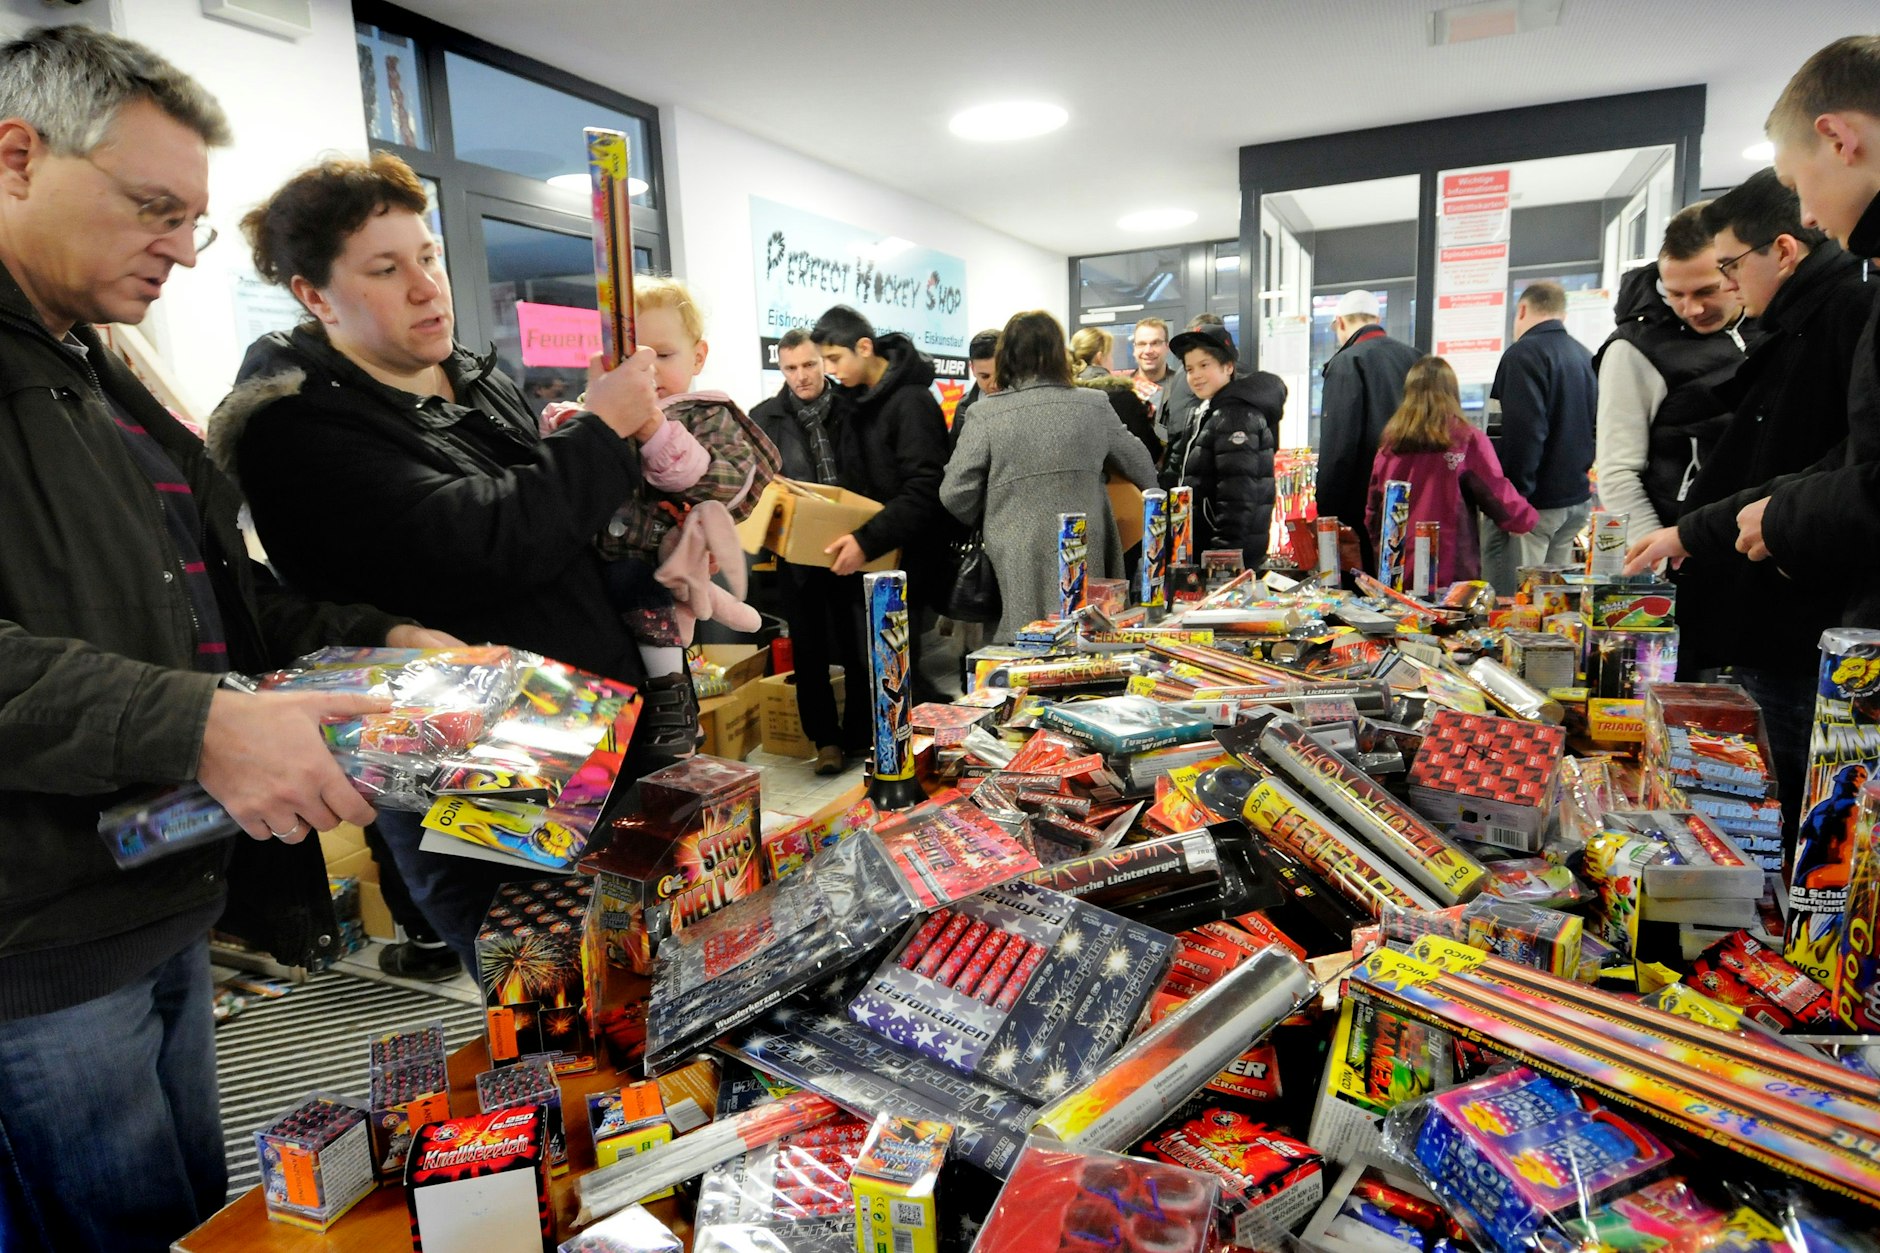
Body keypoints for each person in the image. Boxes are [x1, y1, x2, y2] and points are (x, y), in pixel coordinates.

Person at [0, 27, 461, 1251]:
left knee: (198, 1219)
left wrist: (378, 635)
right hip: (30, 943)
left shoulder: (101, 373)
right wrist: (199, 724)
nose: (180, 249)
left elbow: (221, 599)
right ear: (15, 158)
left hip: (154, 894)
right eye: (153, 206)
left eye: (193, 219)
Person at [210, 151, 667, 968]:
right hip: (478, 761)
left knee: (647, 969)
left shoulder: (470, 376)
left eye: (427, 257)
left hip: (591, 721)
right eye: (386, 270)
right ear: (314, 295)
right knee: (558, 994)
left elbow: (556, 529)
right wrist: (598, 436)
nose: (426, 286)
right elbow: (475, 544)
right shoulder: (295, 428)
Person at [1626, 170, 1874, 851]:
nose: (1721, 293)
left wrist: (1758, 521)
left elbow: (1835, 471)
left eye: (1726, 271)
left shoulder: (1841, 315)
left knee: (1776, 823)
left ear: (1786, 251)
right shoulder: (1795, 325)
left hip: (1793, 617)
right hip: (1753, 595)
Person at [546, 275, 781, 754]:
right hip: (592, 577)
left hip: (661, 564)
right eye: (631, 359)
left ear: (698, 357)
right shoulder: (601, 411)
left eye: (664, 356)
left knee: (646, 593)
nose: (647, 372)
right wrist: (569, 426)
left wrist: (654, 428)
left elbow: (728, 485)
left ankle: (672, 694)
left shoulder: (707, 414)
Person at [940, 311, 1157, 641]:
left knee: (1020, 651)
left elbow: (954, 493)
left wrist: (994, 508)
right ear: (1059, 353)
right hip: (1086, 547)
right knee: (1089, 643)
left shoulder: (985, 414)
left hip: (1014, 555)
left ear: (1007, 355)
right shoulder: (1094, 404)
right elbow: (1143, 466)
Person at [809, 305, 954, 703]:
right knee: (881, 673)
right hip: (869, 559)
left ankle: (932, 744)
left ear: (865, 347)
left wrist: (867, 540)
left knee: (898, 674)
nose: (831, 370)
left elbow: (925, 489)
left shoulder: (911, 402)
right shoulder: (852, 403)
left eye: (835, 358)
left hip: (906, 559)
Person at [1592, 203, 1756, 543]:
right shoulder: (1633, 349)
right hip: (1687, 549)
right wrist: (1663, 554)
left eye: (1707, 291)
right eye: (1675, 294)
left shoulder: (1777, 322)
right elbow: (1617, 472)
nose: (1691, 309)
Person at [752, 327, 870, 774]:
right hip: (798, 554)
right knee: (810, 650)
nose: (801, 377)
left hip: (857, 546)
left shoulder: (854, 410)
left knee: (861, 645)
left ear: (823, 363)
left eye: (808, 365)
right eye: (790, 368)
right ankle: (826, 742)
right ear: (780, 369)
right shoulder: (765, 418)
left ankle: (860, 735)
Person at [1365, 357, 1537, 588]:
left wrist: (1380, 550)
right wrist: (1527, 519)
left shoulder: (1390, 445)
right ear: (1452, 392)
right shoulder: (1466, 439)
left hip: (1398, 567)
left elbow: (1374, 511)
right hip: (1452, 568)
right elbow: (1494, 490)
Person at [1479, 281, 1598, 594]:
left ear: (1521, 310)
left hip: (1533, 507)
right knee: (1553, 607)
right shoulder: (1584, 356)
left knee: (1514, 603)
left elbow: (1523, 433)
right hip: (1575, 500)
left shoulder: (1523, 355)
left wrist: (1514, 501)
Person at [1316, 289, 1422, 568]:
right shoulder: (1416, 359)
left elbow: (1339, 448)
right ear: (1378, 318)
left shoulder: (1346, 363)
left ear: (1340, 323)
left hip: (1363, 504)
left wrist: (1326, 513)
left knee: (1365, 597)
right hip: (1418, 499)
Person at [1165, 323, 1284, 569]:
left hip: (1224, 555)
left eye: (1204, 365)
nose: (1195, 375)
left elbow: (1237, 496)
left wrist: (1221, 559)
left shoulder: (1235, 416)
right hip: (1209, 548)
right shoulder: (1213, 411)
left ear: (1228, 367)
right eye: (1189, 369)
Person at [1129, 316, 1198, 449]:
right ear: (1134, 348)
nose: (1148, 351)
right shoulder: (1121, 389)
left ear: (1166, 346)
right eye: (1142, 344)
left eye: (1155, 343)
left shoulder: (1185, 385)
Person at [949, 326, 1000, 449]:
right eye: (985, 376)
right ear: (972, 369)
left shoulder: (1027, 402)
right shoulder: (963, 407)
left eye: (1000, 374)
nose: (994, 384)